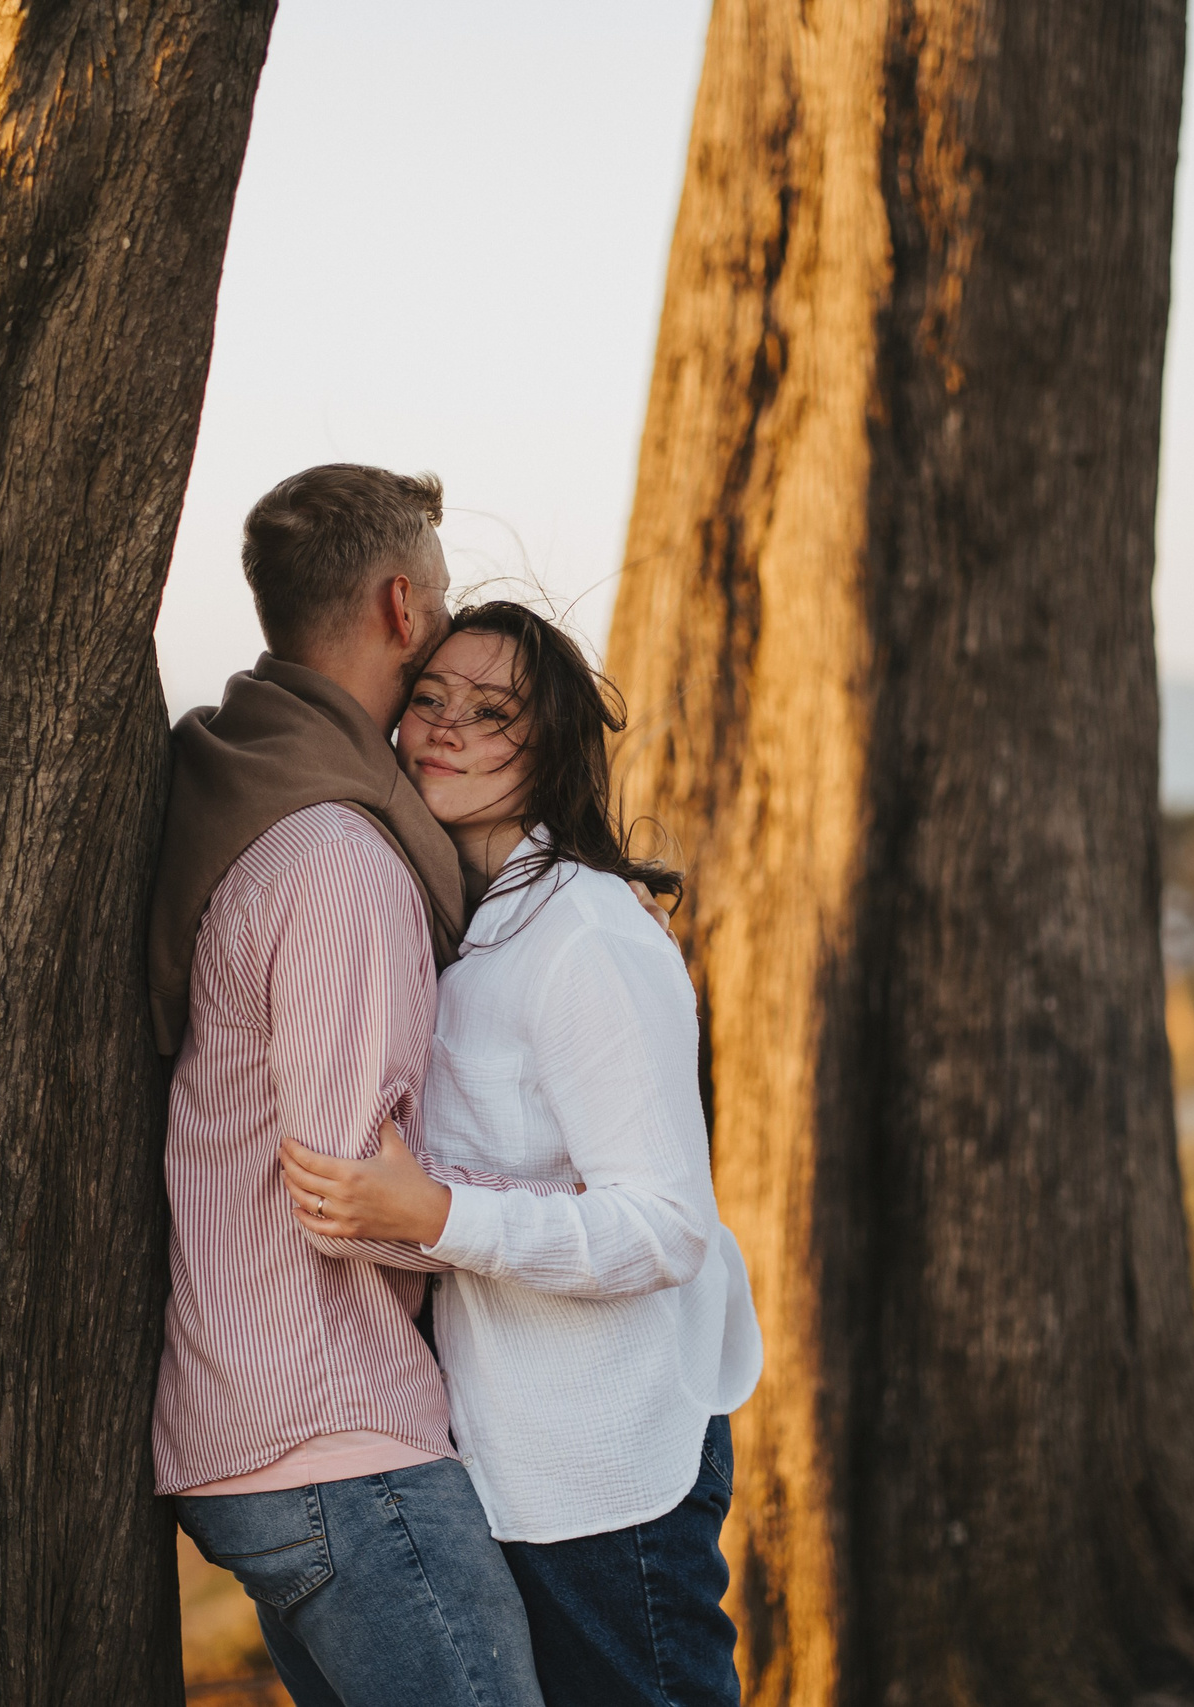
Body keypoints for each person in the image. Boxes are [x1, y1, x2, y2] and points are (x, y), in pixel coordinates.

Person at [278, 601, 764, 1707]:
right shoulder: (468, 929)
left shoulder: (585, 936)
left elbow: (667, 1226)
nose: (444, 726)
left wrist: (433, 1216)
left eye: (490, 712)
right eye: (429, 700)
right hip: (510, 1469)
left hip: (608, 1474)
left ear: (550, 749)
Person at [146, 465, 549, 1707]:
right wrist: (544, 1207)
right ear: (397, 607)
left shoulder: (252, 797)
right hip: (337, 1439)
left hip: (283, 1439)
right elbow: (345, 1189)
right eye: (435, 592)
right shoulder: (341, 862)